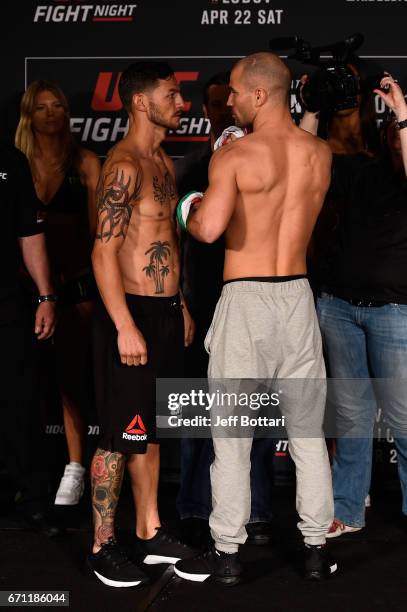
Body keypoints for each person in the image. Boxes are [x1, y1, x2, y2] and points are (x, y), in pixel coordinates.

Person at [174, 52, 335, 585]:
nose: (230, 102)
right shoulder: (319, 153)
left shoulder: (236, 156)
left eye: (237, 93)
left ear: (261, 94)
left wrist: (187, 206)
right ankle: (315, 548)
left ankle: (227, 554)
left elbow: (208, 230)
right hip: (298, 295)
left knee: (232, 438)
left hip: (246, 299)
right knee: (309, 435)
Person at [88, 61, 196, 588]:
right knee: (117, 435)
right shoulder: (125, 164)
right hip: (126, 313)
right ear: (139, 102)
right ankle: (101, 545)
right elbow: (103, 251)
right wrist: (124, 324)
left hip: (163, 311)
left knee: (151, 430)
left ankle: (150, 531)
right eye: (172, 95)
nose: (182, 103)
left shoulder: (164, 163)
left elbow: (168, 243)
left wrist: (181, 305)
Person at [303, 73, 407, 538]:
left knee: (404, 417)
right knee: (351, 415)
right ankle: (348, 507)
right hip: (339, 308)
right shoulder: (357, 169)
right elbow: (302, 157)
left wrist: (403, 111)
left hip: (394, 313)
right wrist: (311, 109)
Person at [176, 71, 274, 546]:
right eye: (215, 103)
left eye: (228, 100)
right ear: (207, 109)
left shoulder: (266, 161)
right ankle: (195, 508)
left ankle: (255, 512)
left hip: (255, 297)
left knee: (255, 413)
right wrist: (180, 300)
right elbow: (173, 242)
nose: (224, 109)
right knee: (200, 411)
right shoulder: (193, 165)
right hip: (203, 298)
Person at [15, 80, 101, 506]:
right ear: (28, 115)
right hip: (22, 287)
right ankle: (24, 468)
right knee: (23, 380)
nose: (52, 113)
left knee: (71, 378)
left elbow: (98, 233)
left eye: (59, 106)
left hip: (74, 283)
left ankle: (75, 467)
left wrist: (75, 280)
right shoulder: (16, 165)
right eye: (43, 107)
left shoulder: (84, 162)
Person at [0, 141, 58, 536]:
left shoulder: (8, 159)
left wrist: (46, 295)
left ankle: (32, 499)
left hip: (6, 302)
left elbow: (29, 233)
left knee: (19, 401)